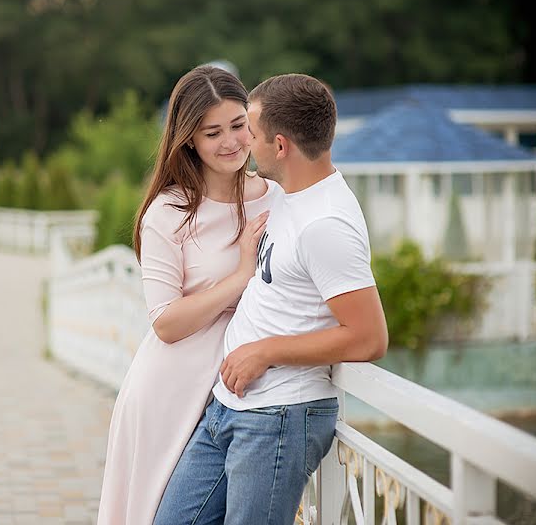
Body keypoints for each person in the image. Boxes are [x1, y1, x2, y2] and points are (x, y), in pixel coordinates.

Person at [153, 74, 388, 525]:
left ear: (280, 146)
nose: (243, 143)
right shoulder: (288, 197)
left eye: (250, 132)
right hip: (228, 405)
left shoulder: (326, 224)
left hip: (277, 417)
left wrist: (266, 352)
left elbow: (369, 338)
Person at [97, 65, 280, 525]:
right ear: (189, 141)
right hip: (170, 393)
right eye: (211, 132)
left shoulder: (277, 198)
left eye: (238, 125)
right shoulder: (169, 212)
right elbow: (166, 322)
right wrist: (240, 276)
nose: (231, 142)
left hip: (240, 395)